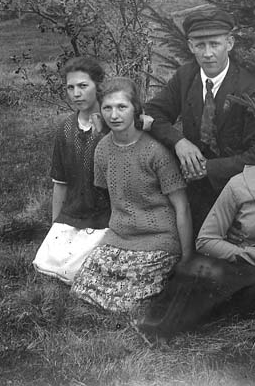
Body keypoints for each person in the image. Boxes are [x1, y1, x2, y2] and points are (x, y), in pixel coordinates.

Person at [134, 111, 255, 345]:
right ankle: (160, 328)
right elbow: (206, 241)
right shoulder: (240, 185)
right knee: (207, 277)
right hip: (245, 268)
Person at [144, 6, 255, 236]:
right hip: (193, 189)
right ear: (190, 46)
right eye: (200, 45)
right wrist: (179, 141)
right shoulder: (186, 76)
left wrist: (209, 168)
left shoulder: (250, 87)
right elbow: (154, 112)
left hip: (236, 188)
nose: (207, 53)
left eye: (215, 44)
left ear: (229, 43)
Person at [70, 77, 193, 313]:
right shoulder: (102, 149)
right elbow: (110, 197)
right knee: (81, 286)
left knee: (131, 301)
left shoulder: (156, 151)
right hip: (120, 236)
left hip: (158, 238)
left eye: (121, 107)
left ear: (135, 109)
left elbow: (182, 207)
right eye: (107, 108)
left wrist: (187, 258)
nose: (114, 115)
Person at [32, 56, 110, 284]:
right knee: (48, 264)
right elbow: (61, 183)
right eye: (70, 87)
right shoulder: (66, 128)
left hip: (106, 217)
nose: (76, 93)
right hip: (73, 214)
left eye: (83, 86)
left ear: (98, 86)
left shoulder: (113, 124)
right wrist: (55, 226)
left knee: (81, 270)